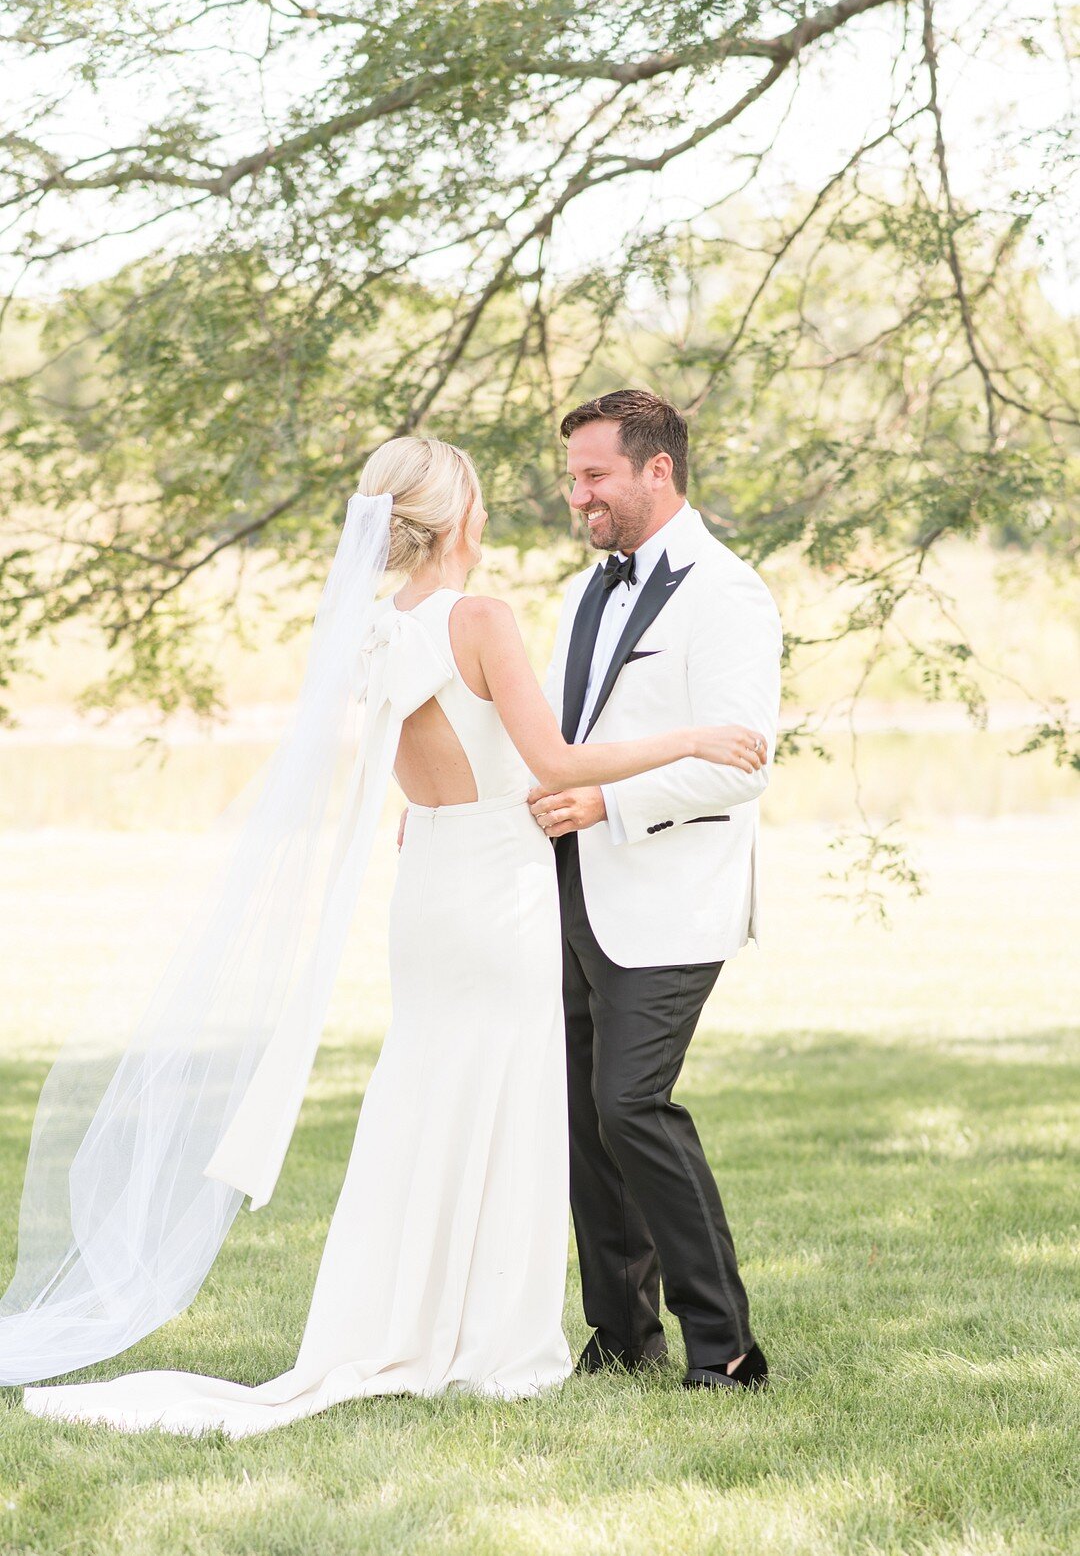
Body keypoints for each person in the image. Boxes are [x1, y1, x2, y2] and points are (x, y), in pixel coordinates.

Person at [7, 435, 766, 1436]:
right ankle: (492, 1332)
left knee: (427, 1093)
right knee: (510, 1105)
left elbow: (410, 771)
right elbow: (551, 759)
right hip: (499, 887)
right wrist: (694, 735)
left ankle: (411, 1316)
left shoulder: (374, 630)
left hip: (432, 885)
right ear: (462, 520)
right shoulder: (483, 617)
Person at [529, 390, 782, 1391]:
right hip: (572, 886)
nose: (578, 493)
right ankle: (621, 1335)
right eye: (573, 477)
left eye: (594, 475)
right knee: (588, 1117)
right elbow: (555, 735)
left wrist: (607, 805)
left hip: (672, 892)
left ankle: (724, 1344)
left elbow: (742, 764)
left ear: (656, 470)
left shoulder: (728, 594)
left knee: (632, 1104)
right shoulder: (585, 588)